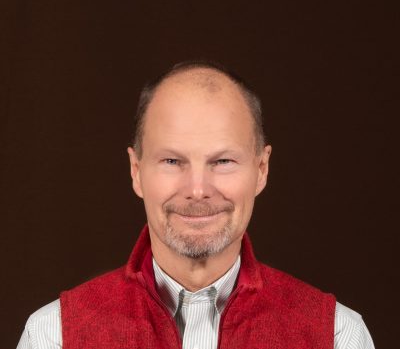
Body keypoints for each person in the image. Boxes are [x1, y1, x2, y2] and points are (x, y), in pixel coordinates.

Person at [17, 61, 375, 349]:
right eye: (172, 161)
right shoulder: (53, 336)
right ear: (137, 172)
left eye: (222, 162)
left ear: (261, 170)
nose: (198, 190)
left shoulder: (338, 336)